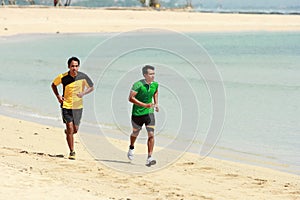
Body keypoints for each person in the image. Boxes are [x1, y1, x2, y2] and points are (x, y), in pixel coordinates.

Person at [51, 57, 94, 160]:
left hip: (78, 107)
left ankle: (68, 133)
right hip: (66, 105)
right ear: (68, 67)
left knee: (75, 130)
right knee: (70, 128)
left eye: (76, 66)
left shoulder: (83, 77)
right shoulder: (63, 77)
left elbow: (91, 87)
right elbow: (53, 85)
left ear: (78, 66)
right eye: (72, 66)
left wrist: (83, 93)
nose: (74, 68)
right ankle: (72, 152)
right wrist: (58, 96)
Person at [127, 65, 159, 166]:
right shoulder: (138, 85)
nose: (153, 76)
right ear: (145, 75)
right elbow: (130, 98)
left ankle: (149, 157)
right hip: (137, 113)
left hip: (149, 113)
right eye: (150, 74)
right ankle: (131, 147)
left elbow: (155, 92)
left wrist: (156, 103)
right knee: (135, 133)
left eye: (153, 74)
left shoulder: (155, 84)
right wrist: (144, 105)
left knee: (151, 134)